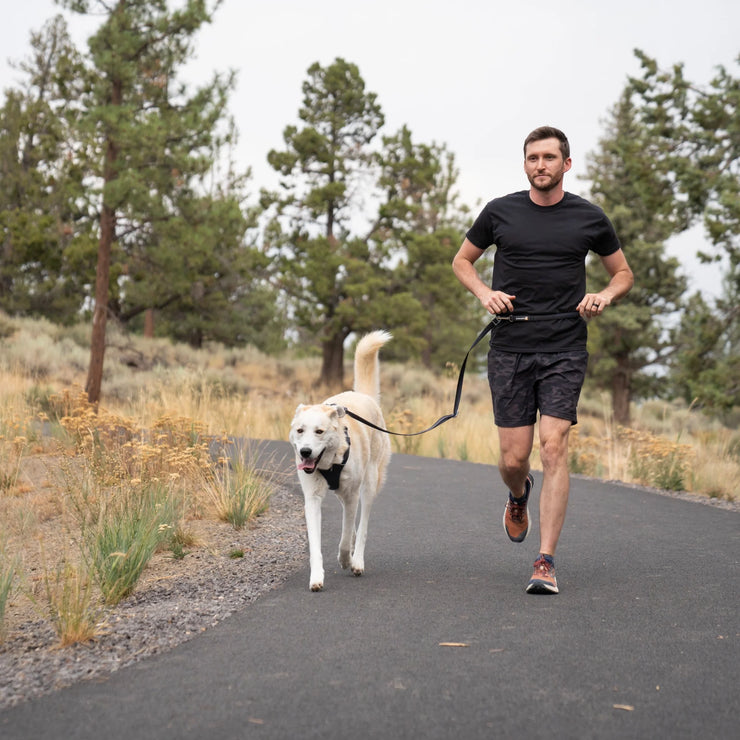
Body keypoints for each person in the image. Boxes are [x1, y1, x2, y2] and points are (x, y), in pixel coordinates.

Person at [452, 126, 634, 594]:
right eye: (533, 157)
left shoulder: (589, 218)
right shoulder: (500, 212)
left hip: (564, 346)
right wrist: (485, 293)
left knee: (554, 446)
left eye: (549, 157)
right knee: (514, 459)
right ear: (525, 164)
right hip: (510, 347)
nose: (540, 165)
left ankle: (545, 561)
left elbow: (623, 273)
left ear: (566, 164)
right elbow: (462, 262)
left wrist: (604, 296)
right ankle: (518, 495)